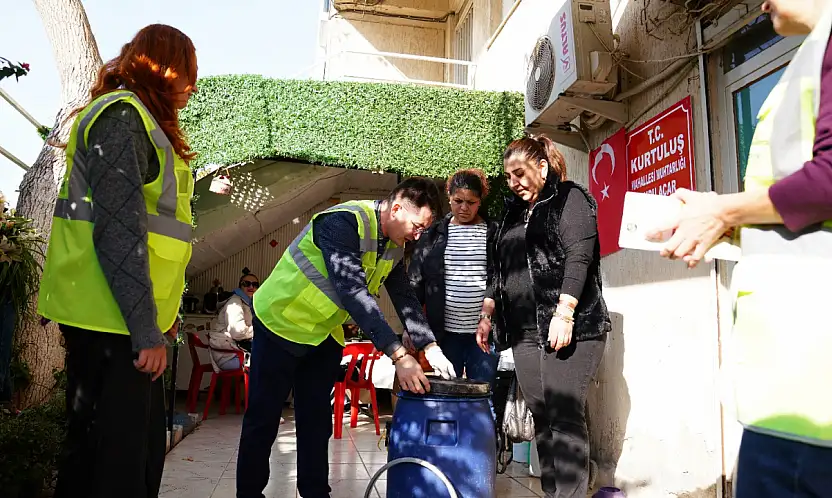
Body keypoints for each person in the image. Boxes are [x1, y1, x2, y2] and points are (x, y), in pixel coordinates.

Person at [650, 1, 832, 495]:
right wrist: (723, 222)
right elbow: (802, 211)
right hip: (788, 386)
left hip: (813, 385)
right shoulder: (809, 55)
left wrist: (725, 211)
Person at [37, 24, 198, 498]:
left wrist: (158, 321)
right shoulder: (122, 118)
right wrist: (145, 329)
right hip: (111, 322)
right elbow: (120, 233)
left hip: (120, 320)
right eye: (187, 72)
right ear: (162, 69)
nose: (193, 85)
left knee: (126, 460)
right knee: (113, 468)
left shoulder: (137, 121)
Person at [237, 177, 457, 498]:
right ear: (397, 209)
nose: (418, 235)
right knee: (263, 419)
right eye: (417, 226)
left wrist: (429, 345)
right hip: (280, 323)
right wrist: (399, 355)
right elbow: (353, 293)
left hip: (323, 334)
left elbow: (403, 295)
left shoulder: (394, 245)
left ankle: (316, 493)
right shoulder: (340, 223)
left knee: (316, 423)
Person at [480, 135, 611, 498]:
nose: (514, 182)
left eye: (520, 173)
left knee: (563, 414)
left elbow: (579, 258)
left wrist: (565, 312)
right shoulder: (512, 213)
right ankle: (554, 493)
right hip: (524, 331)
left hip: (572, 326)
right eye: (508, 177)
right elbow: (499, 270)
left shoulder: (569, 198)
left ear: (541, 167)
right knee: (541, 415)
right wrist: (487, 313)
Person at [408, 169, 500, 392]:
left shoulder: (494, 233)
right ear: (449, 197)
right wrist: (410, 326)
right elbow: (415, 282)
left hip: (484, 335)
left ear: (480, 201)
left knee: (483, 394)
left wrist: (487, 317)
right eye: (458, 201)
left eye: (471, 202)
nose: (464, 208)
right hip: (445, 335)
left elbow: (500, 278)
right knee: (448, 394)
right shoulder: (433, 235)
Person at [209, 269, 257, 372]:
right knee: (273, 363)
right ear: (240, 286)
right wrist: (259, 330)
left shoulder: (247, 303)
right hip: (230, 356)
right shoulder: (234, 302)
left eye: (255, 284)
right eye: (247, 284)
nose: (251, 287)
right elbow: (237, 332)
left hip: (234, 351)